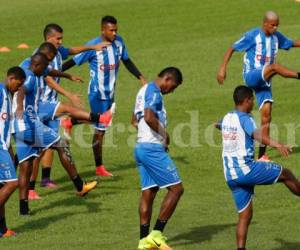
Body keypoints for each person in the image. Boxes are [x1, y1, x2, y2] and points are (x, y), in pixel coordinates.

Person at [13, 53, 112, 215]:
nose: (46, 71)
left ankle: (23, 209)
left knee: (25, 165)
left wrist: (67, 75)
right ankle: (80, 186)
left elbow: (50, 73)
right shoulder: (30, 77)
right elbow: (23, 90)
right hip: (30, 124)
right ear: (37, 66)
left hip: (17, 127)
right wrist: (19, 107)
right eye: (44, 68)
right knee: (61, 144)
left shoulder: (28, 70)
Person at [30, 23, 110, 196]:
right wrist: (69, 94)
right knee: (39, 148)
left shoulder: (57, 52)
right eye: (58, 38)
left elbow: (72, 50)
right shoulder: (41, 55)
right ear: (48, 38)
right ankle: (97, 118)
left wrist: (92, 47)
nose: (61, 42)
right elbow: (48, 79)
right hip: (41, 105)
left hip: (51, 102)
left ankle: (46, 181)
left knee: (53, 145)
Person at [62, 15, 147, 177]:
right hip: (97, 93)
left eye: (116, 30)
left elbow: (127, 60)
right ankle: (99, 167)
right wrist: (54, 73)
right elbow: (73, 61)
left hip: (110, 93)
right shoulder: (93, 46)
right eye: (111, 30)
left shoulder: (119, 42)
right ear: (103, 30)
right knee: (100, 129)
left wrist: (140, 77)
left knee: (102, 124)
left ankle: (70, 121)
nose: (114, 33)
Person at [218, 85, 300, 250]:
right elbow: (258, 135)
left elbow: (222, 125)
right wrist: (278, 145)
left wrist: (218, 125)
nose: (254, 103)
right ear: (246, 100)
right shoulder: (246, 118)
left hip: (230, 176)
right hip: (246, 170)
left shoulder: (227, 117)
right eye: (252, 100)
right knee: (286, 174)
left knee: (245, 215)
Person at [216, 10, 300, 161]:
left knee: (267, 115)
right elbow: (232, 48)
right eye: (273, 25)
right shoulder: (253, 35)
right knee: (274, 67)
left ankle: (261, 156)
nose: (275, 28)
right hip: (252, 75)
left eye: (277, 26)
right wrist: (222, 68)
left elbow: (292, 43)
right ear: (265, 23)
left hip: (265, 80)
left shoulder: (276, 37)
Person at [132, 67, 184, 250]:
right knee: (177, 189)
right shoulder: (154, 91)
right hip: (152, 149)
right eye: (173, 87)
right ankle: (156, 234)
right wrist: (164, 136)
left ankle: (143, 241)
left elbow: (133, 120)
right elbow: (148, 117)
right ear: (168, 79)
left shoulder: (142, 90)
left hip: (140, 146)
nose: (172, 91)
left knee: (149, 192)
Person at [0, 67, 26, 237]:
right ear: (10, 78)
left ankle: (2, 230)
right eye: (18, 84)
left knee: (2, 186)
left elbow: (5, 128)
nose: (19, 88)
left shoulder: (8, 96)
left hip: (4, 146)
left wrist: (10, 149)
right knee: (12, 184)